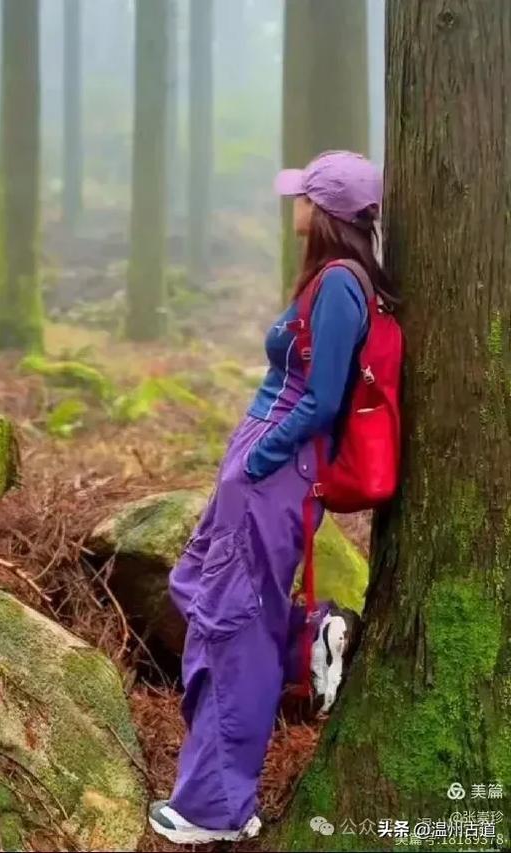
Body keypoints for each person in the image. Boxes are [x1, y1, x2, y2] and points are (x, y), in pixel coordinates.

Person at [149, 150, 395, 846]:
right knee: (202, 590)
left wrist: (259, 458)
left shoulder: (340, 286)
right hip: (260, 469)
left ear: (327, 212)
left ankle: (215, 808)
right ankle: (311, 636)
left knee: (232, 628)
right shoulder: (330, 280)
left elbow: (322, 401)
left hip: (276, 472)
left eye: (305, 197)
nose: (296, 206)